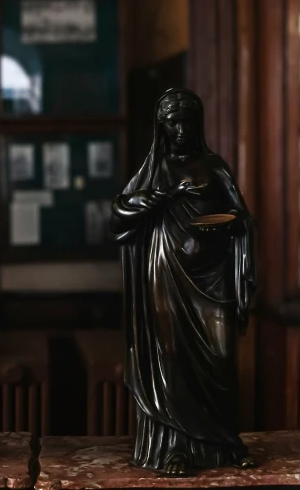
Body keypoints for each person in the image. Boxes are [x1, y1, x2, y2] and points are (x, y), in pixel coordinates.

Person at [109, 88, 256, 475]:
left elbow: (240, 215)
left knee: (221, 356)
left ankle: (225, 442)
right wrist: (164, 195)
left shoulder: (214, 166)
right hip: (166, 274)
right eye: (172, 122)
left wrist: (232, 225)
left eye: (187, 122)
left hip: (212, 277)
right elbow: (120, 213)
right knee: (170, 359)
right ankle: (176, 448)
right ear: (161, 127)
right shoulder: (154, 169)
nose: (180, 129)